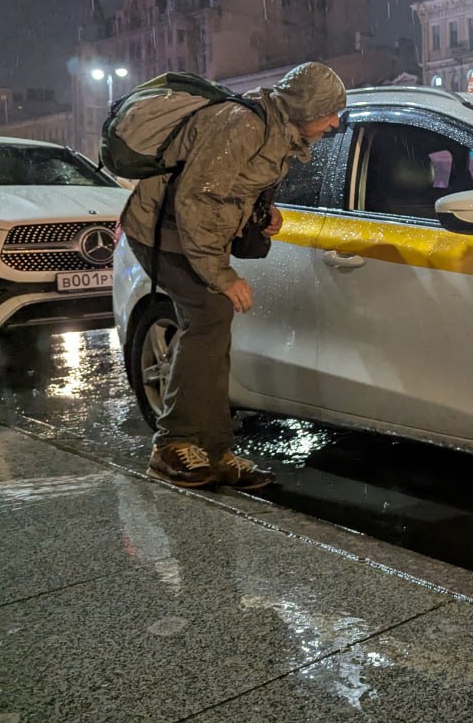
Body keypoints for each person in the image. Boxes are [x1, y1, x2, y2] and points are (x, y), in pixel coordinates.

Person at [120, 62, 347, 490]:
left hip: (184, 233)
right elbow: (198, 199)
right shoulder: (243, 124)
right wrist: (221, 275)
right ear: (306, 105)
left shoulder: (278, 129)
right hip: (161, 235)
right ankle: (173, 446)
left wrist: (264, 211)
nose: (335, 122)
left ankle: (213, 450)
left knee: (212, 324)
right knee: (209, 315)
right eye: (331, 111)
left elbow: (234, 185)